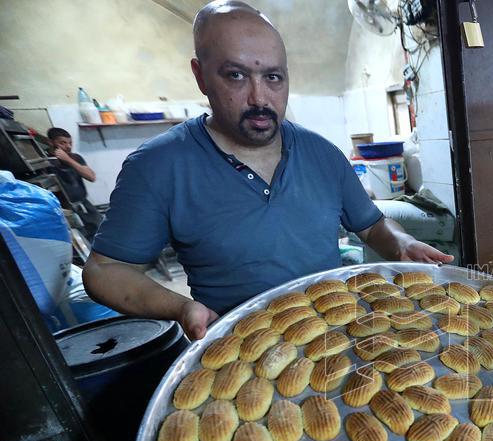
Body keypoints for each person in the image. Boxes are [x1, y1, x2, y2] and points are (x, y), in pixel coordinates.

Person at [83, 0, 452, 341]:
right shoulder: (158, 167)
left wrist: (401, 243)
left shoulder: (321, 153)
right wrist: (180, 307)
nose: (260, 99)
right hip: (240, 350)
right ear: (201, 75)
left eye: (273, 77)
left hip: (334, 339)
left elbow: (371, 225)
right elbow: (104, 270)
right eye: (236, 76)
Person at [46, 127, 103, 238]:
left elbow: (91, 177)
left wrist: (68, 160)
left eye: (70, 143)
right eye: (63, 143)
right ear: (50, 142)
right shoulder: (46, 161)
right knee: (80, 239)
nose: (68, 146)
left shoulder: (75, 158)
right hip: (64, 210)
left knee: (100, 231)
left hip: (84, 205)